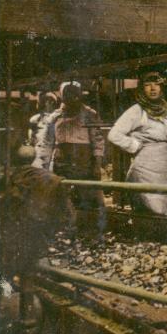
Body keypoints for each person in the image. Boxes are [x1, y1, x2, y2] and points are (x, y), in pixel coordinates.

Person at [0, 146, 72, 320]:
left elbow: (2, 204)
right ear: (33, 159)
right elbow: (66, 211)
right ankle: (27, 314)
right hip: (35, 232)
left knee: (6, 272)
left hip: (12, 231)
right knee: (28, 272)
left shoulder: (9, 177)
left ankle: (6, 304)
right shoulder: (49, 178)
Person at [108, 71, 167, 216]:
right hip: (146, 167)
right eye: (148, 85)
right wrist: (134, 145)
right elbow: (114, 134)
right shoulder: (136, 111)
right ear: (142, 89)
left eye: (156, 84)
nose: (153, 88)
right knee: (150, 208)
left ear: (162, 87)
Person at [52, 80, 106, 238]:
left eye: (75, 93)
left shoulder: (90, 114)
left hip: (83, 162)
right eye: (67, 93)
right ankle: (68, 229)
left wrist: (97, 165)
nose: (71, 97)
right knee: (63, 195)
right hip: (62, 163)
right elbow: (47, 143)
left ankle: (89, 231)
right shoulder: (54, 117)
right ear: (61, 95)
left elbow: (98, 141)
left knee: (86, 195)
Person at [28, 92, 60, 170]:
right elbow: (31, 137)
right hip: (38, 151)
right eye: (45, 100)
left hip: (53, 151)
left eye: (50, 100)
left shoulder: (58, 117)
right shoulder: (35, 119)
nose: (47, 102)